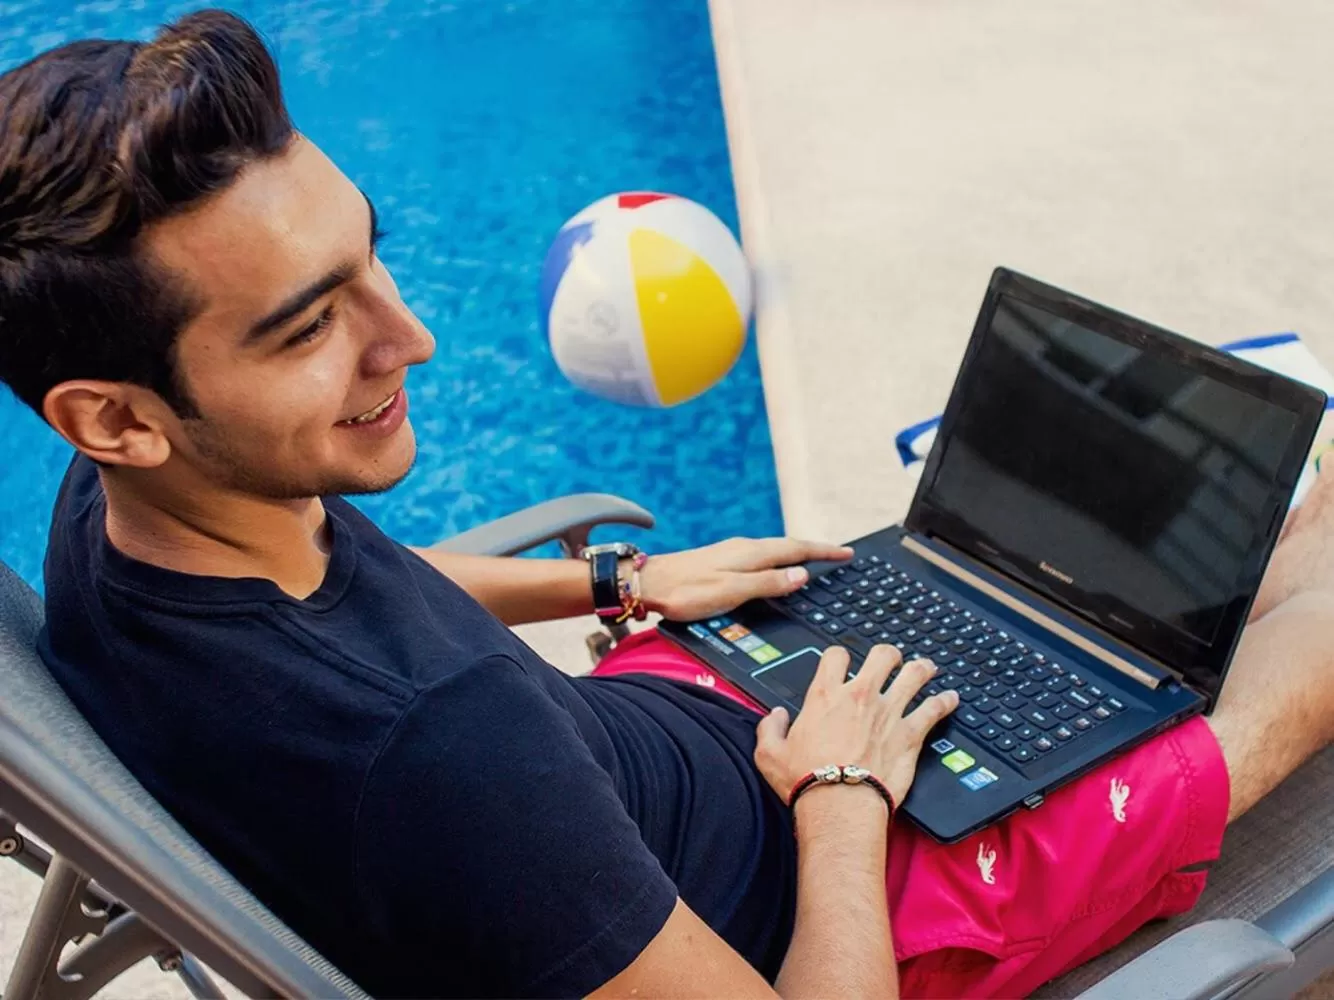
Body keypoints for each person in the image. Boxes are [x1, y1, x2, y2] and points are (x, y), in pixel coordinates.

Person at [1, 11, 1331, 998]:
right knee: (1293, 651)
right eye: (308, 329)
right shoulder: (444, 762)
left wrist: (622, 583)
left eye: (370, 261)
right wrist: (845, 796)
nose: (407, 340)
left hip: (676, 714)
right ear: (113, 414)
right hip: (865, 886)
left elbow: (360, 597)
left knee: (1161, 601)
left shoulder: (126, 519)